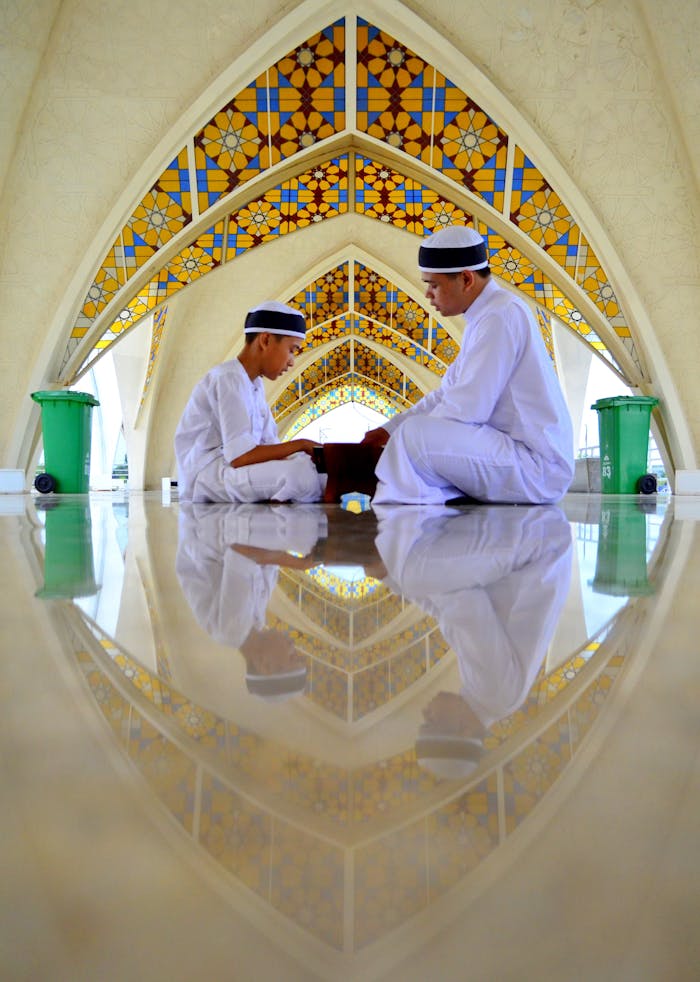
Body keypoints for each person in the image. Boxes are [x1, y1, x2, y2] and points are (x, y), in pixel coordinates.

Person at [362, 226, 575, 505]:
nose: (428, 294)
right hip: (513, 455)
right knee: (409, 434)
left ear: (465, 279)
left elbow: (467, 409)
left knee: (414, 437)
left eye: (434, 284)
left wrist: (399, 438)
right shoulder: (486, 316)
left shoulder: (501, 314)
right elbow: (445, 395)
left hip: (536, 466)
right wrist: (388, 430)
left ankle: (390, 500)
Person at [372, 503, 572, 777]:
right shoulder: (494, 693)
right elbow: (458, 596)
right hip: (535, 546)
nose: (426, 713)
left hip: (533, 548)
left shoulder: (485, 695)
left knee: (407, 553)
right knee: (407, 542)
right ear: (465, 730)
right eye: (431, 723)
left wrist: (388, 576)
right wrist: (393, 570)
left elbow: (445, 611)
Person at [174, 300, 325, 503]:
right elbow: (240, 457)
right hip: (208, 475)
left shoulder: (254, 385)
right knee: (299, 476)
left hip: (231, 469)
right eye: (292, 350)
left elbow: (269, 445)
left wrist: (307, 455)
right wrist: (301, 444)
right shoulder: (228, 377)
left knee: (310, 468)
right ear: (265, 340)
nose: (291, 361)